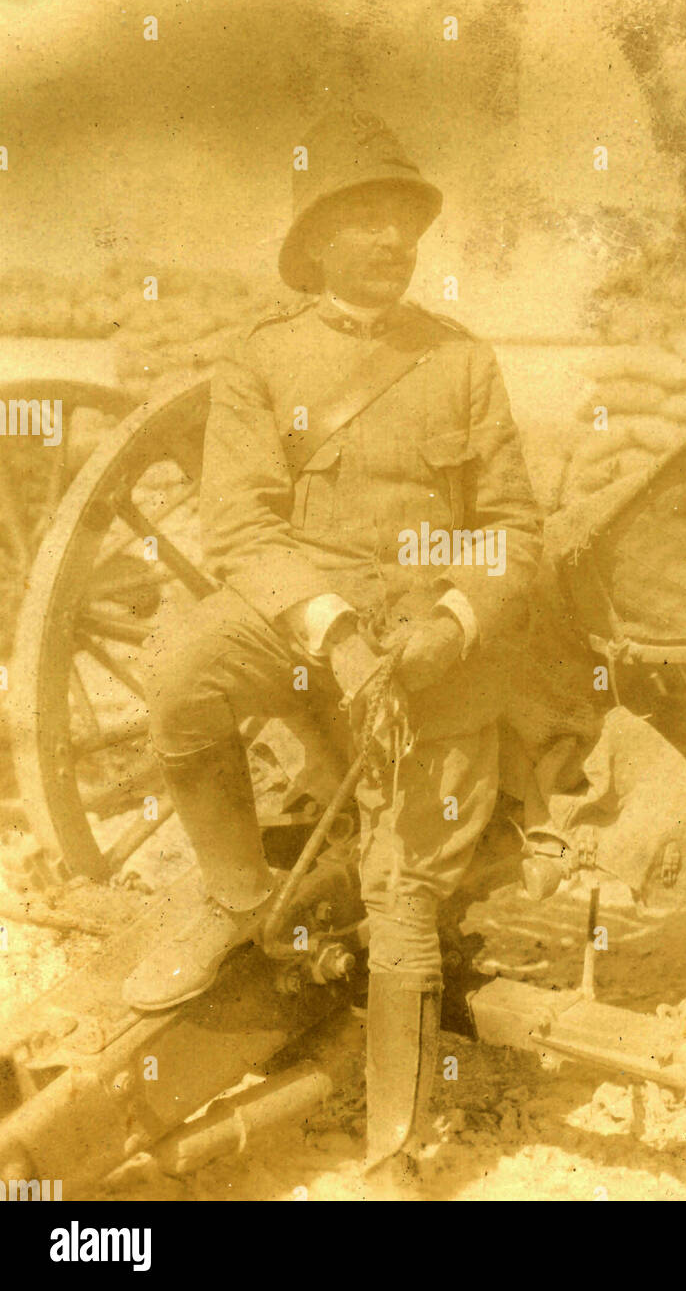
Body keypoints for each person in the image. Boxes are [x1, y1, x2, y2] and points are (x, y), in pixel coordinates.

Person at [121, 104, 543, 1188]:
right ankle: (234, 898)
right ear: (315, 243)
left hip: (426, 635)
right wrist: (329, 629)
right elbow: (240, 526)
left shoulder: (460, 362)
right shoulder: (261, 359)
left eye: (403, 219)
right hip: (300, 610)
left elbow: (510, 528)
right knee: (181, 680)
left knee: (404, 890)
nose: (391, 240)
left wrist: (451, 622)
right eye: (363, 219)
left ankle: (393, 1146)